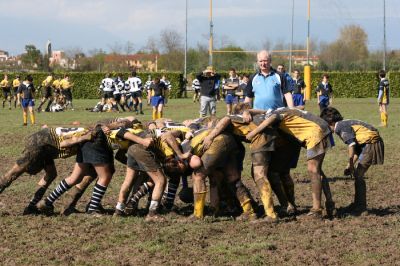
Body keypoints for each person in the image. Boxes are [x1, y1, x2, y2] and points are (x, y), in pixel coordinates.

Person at [320, 107, 384, 214]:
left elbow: (352, 145)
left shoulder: (339, 127)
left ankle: (361, 207)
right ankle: (358, 204)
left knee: (358, 174)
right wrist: (349, 165)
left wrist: (350, 163)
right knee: (358, 175)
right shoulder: (343, 124)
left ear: (330, 122)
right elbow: (357, 148)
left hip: (371, 143)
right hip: (368, 143)